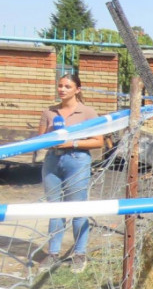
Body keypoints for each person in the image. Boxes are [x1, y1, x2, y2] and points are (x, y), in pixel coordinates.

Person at [37, 73, 104, 273]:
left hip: (77, 160)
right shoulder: (49, 112)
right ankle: (53, 253)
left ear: (77, 89)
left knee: (77, 207)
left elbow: (98, 141)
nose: (62, 89)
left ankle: (79, 254)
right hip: (52, 161)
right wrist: (50, 138)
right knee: (54, 208)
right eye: (60, 86)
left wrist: (71, 142)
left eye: (67, 86)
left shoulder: (88, 112)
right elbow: (40, 140)